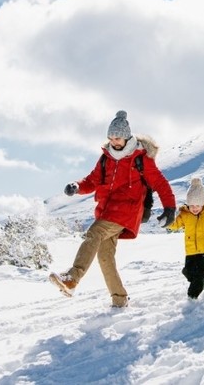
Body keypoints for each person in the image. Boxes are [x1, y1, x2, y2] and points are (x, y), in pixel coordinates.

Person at [50, 110, 177, 308]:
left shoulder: (140, 158)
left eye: (117, 138)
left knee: (94, 233)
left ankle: (72, 278)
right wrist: (77, 186)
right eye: (110, 138)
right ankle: (120, 300)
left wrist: (170, 208)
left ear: (126, 137)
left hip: (127, 211)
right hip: (106, 210)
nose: (113, 142)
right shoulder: (106, 158)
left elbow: (160, 184)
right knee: (105, 258)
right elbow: (92, 180)